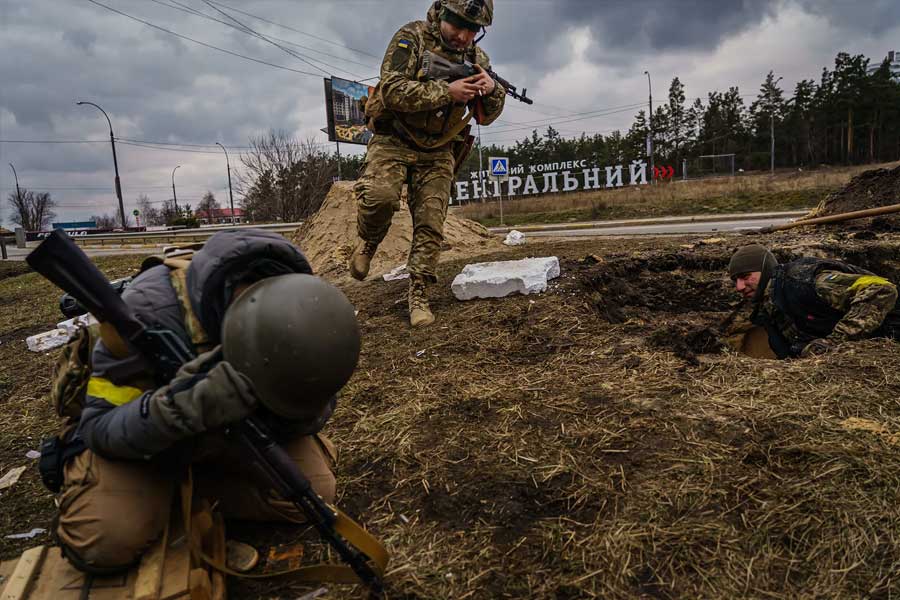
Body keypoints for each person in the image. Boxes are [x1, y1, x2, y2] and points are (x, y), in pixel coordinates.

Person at [52, 229, 360, 574]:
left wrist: (267, 409)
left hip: (222, 433)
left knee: (311, 494)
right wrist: (181, 406)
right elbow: (98, 427)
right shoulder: (146, 312)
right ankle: (154, 496)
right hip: (142, 439)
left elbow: (314, 407)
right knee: (104, 541)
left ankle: (187, 495)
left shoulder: (303, 311)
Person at [350, 0, 505, 327]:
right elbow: (392, 90)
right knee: (379, 197)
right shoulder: (412, 37)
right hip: (394, 139)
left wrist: (492, 91)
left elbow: (488, 116)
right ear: (442, 15)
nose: (463, 36)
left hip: (437, 150)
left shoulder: (476, 60)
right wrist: (446, 92)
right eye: (457, 25)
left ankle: (419, 293)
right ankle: (369, 239)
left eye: (472, 30)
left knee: (431, 222)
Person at [727, 244, 899, 359]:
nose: (739, 286)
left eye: (745, 276)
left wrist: (835, 342)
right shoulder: (768, 308)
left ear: (765, 270)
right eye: (735, 281)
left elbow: (881, 289)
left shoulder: (803, 281)